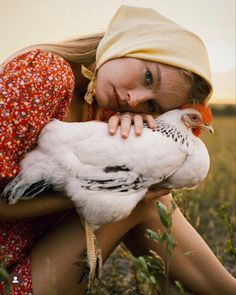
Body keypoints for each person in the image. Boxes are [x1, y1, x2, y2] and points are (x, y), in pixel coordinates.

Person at [0, 5, 235, 295]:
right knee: (139, 197)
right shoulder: (46, 75)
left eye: (151, 106)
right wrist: (102, 192)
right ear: (131, 42)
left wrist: (130, 151)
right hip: (8, 279)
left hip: (28, 259)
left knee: (144, 194)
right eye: (148, 77)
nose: (134, 99)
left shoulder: (106, 113)